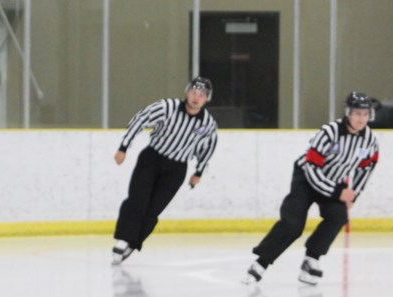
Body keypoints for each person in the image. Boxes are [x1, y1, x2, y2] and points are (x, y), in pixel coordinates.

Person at [243, 92, 380, 285]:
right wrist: (337, 192)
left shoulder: (369, 140)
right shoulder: (329, 131)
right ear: (348, 113)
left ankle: (311, 259)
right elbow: (312, 167)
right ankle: (261, 263)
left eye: (366, 114)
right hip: (306, 180)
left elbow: (367, 167)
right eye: (358, 114)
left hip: (335, 182)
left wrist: (352, 194)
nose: (362, 119)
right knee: (293, 224)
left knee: (338, 215)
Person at [111, 77, 218, 265]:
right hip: (152, 159)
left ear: (207, 99)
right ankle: (124, 238)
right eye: (193, 92)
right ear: (187, 92)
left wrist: (198, 173)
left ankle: (134, 243)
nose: (196, 97)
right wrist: (123, 147)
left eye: (201, 95)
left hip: (176, 169)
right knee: (137, 200)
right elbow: (141, 118)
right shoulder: (167, 107)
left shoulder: (207, 124)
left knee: (153, 210)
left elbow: (208, 148)